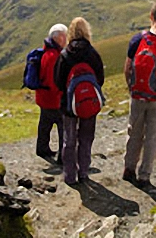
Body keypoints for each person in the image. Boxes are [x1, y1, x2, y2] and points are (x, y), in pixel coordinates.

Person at [122, 3, 156, 188]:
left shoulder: (137, 39)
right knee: (152, 136)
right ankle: (144, 176)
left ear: (151, 16)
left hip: (138, 94)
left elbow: (127, 67)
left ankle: (128, 169)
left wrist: (132, 87)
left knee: (134, 132)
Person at [54, 17, 104, 185]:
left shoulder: (65, 54)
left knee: (69, 140)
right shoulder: (93, 54)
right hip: (89, 104)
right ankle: (83, 172)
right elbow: (100, 79)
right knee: (86, 138)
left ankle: (70, 176)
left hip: (69, 104)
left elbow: (58, 81)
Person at [35, 23, 68, 163]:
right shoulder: (54, 56)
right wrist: (61, 94)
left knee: (45, 124)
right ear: (58, 37)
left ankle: (42, 149)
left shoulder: (45, 51)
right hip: (53, 99)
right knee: (63, 128)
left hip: (43, 97)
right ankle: (63, 156)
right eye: (64, 36)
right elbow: (52, 80)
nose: (66, 39)